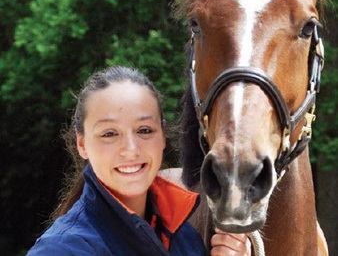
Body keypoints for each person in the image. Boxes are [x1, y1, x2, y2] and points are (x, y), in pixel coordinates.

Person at [26, 66, 251, 256]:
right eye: (109, 134)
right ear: (82, 144)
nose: (130, 150)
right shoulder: (60, 249)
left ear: (163, 136)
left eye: (144, 130)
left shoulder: (184, 236)